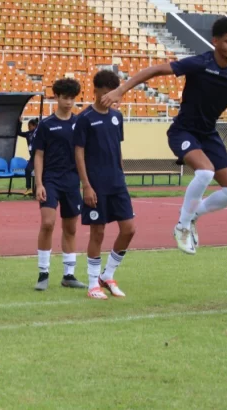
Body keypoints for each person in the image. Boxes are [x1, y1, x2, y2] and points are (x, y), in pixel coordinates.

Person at [101, 17, 227, 255]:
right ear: (215, 41)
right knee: (205, 172)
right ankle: (182, 226)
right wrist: (121, 89)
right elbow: (156, 69)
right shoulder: (200, 63)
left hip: (208, 133)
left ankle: (191, 217)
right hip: (183, 130)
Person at [75, 70, 135, 300]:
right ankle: (93, 285)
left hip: (117, 182)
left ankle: (107, 275)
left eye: (113, 92)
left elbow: (117, 148)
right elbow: (78, 153)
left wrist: (122, 175)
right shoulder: (84, 118)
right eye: (105, 92)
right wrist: (86, 186)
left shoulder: (116, 117)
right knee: (97, 232)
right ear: (95, 91)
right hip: (95, 184)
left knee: (129, 229)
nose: (110, 97)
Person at [32, 78, 86, 291]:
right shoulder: (46, 124)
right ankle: (43, 272)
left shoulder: (80, 123)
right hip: (51, 180)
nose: (69, 102)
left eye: (72, 98)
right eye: (65, 98)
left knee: (71, 228)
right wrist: (39, 183)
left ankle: (69, 275)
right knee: (47, 223)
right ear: (57, 97)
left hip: (72, 180)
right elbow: (38, 155)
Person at [18, 118, 38, 196]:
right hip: (32, 156)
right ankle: (29, 188)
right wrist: (20, 123)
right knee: (28, 170)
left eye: (29, 126)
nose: (28, 127)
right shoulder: (28, 133)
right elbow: (18, 132)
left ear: (34, 126)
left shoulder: (38, 132)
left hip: (39, 155)